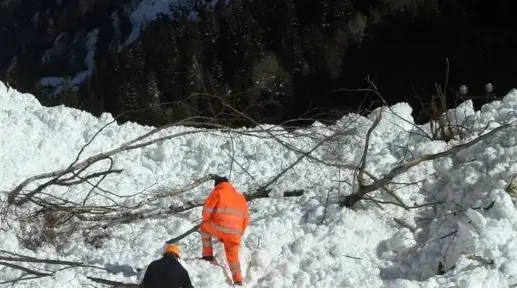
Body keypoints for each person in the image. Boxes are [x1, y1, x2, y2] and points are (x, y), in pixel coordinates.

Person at [200, 176, 250, 286]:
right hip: (236, 233)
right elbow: (246, 219)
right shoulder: (241, 197)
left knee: (204, 227)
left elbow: (206, 212)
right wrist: (238, 232)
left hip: (220, 228)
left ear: (217, 184)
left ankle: (207, 255)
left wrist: (207, 222)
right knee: (233, 255)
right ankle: (238, 279)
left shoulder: (217, 192)